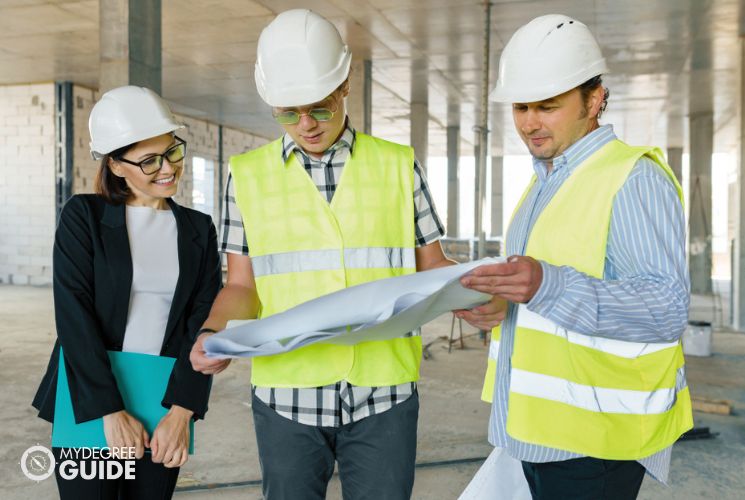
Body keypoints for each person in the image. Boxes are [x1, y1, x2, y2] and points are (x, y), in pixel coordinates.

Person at [189, 8, 453, 500]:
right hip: (287, 395)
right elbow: (242, 285)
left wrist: (481, 288)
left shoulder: (398, 165)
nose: (306, 124)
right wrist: (214, 332)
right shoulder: (245, 175)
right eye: (288, 113)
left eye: (320, 108)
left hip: (384, 392)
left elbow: (433, 267)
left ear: (345, 84)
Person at [456, 14, 693, 500]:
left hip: (596, 444)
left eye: (547, 106)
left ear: (595, 99)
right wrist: (504, 306)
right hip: (537, 430)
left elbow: (666, 307)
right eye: (521, 107)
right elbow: (544, 294)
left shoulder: (632, 179)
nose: (529, 122)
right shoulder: (545, 181)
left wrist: (547, 285)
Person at [32, 85, 222, 499]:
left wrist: (182, 412)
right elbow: (74, 316)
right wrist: (108, 410)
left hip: (164, 402)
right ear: (116, 166)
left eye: (173, 151)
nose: (168, 167)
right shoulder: (84, 216)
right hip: (91, 400)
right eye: (149, 160)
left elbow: (202, 323)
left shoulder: (197, 230)